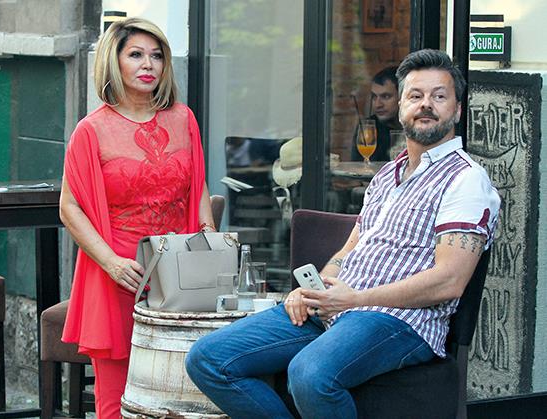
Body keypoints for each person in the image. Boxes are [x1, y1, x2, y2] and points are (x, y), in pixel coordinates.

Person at [185, 49, 500, 419]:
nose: (426, 104)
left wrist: (355, 298)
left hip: (400, 320)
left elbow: (449, 281)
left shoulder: (466, 180)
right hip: (339, 307)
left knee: (310, 374)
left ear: (458, 110)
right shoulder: (388, 175)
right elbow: (351, 248)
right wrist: (318, 287)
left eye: (439, 96)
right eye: (415, 95)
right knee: (208, 358)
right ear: (401, 107)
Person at [59, 17, 214, 418]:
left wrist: (209, 240)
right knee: (117, 394)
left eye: (156, 56)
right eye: (136, 55)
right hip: (119, 271)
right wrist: (110, 262)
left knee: (182, 388)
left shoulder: (184, 118)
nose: (148, 64)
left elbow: (198, 186)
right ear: (114, 62)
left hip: (180, 269)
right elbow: (69, 207)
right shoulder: (90, 131)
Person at [351, 66, 403, 161]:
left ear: (402, 97)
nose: (378, 104)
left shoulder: (414, 126)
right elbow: (358, 165)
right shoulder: (368, 128)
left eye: (386, 96)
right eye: (374, 97)